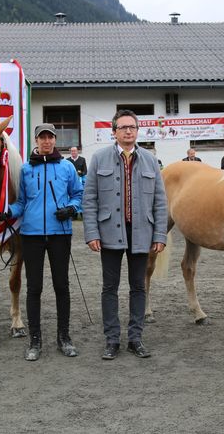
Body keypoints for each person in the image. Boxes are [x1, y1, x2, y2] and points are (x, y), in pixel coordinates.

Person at [83, 109, 167, 360]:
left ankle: (135, 338)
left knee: (138, 287)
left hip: (142, 232)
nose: (128, 131)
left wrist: (160, 235)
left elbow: (160, 201)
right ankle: (111, 340)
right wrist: (91, 232)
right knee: (109, 287)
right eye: (123, 127)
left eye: (132, 127)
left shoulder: (151, 161)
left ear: (137, 131)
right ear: (114, 132)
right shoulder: (99, 159)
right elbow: (90, 200)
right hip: (109, 232)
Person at [8, 123, 84, 361]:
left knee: (61, 286)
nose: (47, 141)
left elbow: (78, 194)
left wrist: (71, 209)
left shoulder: (67, 167)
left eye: (50, 137)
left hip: (60, 233)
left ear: (54, 140)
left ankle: (64, 336)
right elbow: (21, 202)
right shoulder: (25, 169)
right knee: (34, 288)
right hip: (31, 235)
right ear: (36, 141)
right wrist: (6, 212)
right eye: (42, 137)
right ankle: (35, 339)